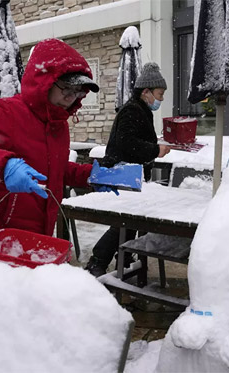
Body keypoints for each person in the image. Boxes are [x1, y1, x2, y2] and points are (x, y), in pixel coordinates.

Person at [0, 38, 102, 253]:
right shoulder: (5, 112)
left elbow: (52, 169)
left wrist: (91, 175)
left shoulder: (58, 124)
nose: (72, 97)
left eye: (79, 92)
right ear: (44, 81)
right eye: (67, 88)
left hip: (33, 235)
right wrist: (4, 165)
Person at [85, 62, 171, 276]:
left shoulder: (140, 110)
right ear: (146, 92)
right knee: (125, 222)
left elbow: (136, 139)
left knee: (130, 221)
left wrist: (155, 145)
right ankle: (98, 261)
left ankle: (123, 256)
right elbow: (127, 143)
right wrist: (154, 149)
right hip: (122, 174)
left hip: (131, 175)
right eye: (159, 94)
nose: (160, 99)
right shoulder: (132, 110)